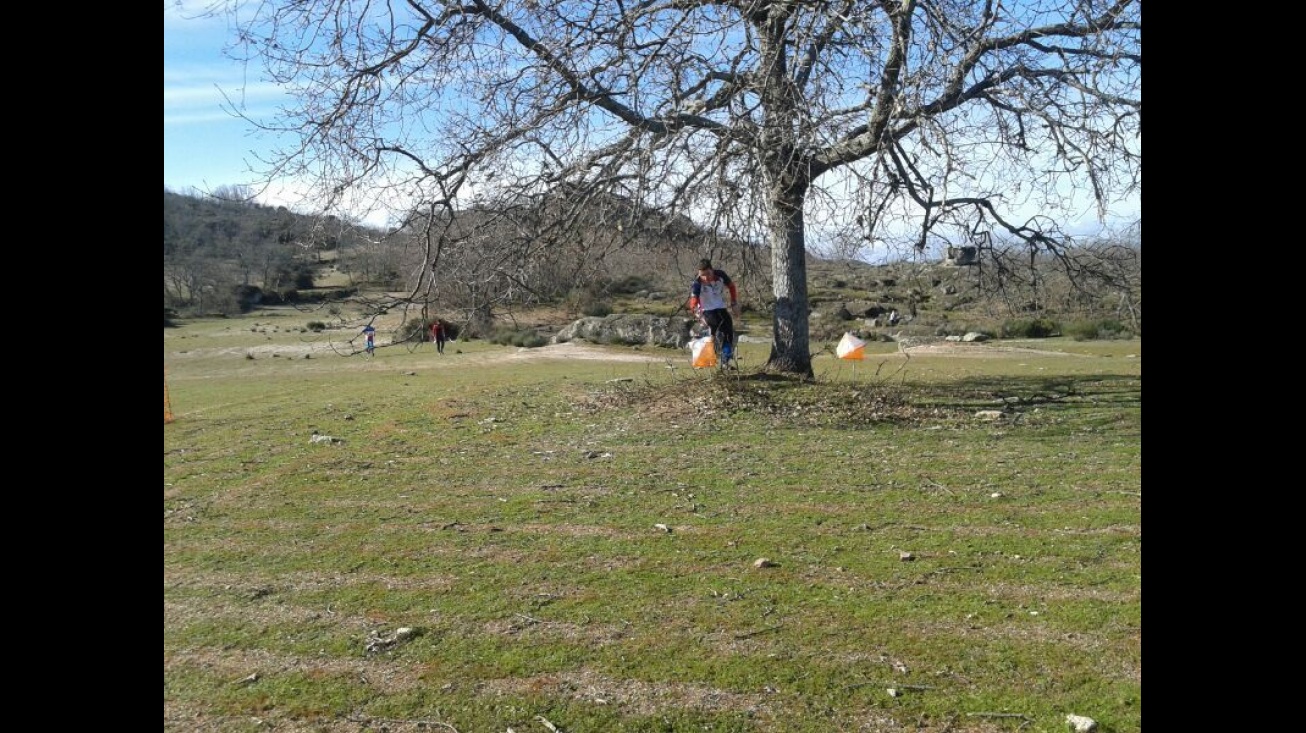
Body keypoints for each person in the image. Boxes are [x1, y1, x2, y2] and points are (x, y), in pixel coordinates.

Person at [688, 258, 741, 367]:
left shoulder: (721, 275)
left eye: (708, 274)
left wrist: (734, 302)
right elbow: (693, 303)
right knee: (714, 329)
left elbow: (731, 286)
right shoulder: (697, 283)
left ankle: (725, 360)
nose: (705, 278)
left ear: (712, 270)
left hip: (720, 307)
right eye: (702, 275)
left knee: (728, 331)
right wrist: (698, 315)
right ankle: (703, 356)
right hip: (706, 310)